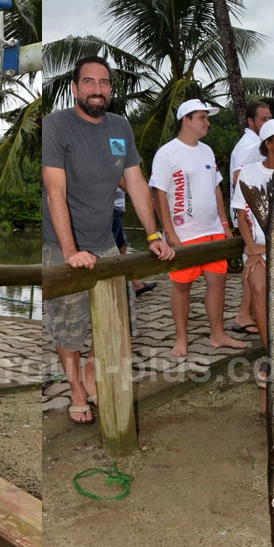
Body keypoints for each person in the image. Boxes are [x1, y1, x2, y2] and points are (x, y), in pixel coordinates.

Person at [42, 56, 175, 424]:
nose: (97, 90)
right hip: (59, 245)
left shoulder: (120, 127)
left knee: (119, 322)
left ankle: (90, 373)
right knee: (69, 329)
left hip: (105, 243)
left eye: (104, 83)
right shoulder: (56, 126)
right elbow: (56, 191)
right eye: (88, 82)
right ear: (74, 88)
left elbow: (135, 182)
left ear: (110, 90)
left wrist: (153, 235)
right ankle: (75, 389)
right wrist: (70, 251)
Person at [150, 99, 246, 357]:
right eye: (202, 117)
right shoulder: (167, 153)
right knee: (182, 286)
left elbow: (216, 188)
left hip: (212, 230)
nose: (207, 122)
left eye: (207, 117)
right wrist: (169, 232)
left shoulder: (207, 151)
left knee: (218, 282)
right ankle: (182, 339)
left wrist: (225, 224)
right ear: (186, 120)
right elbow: (158, 193)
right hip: (184, 234)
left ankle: (217, 334)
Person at [232, 116, 274, 404]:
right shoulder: (249, 172)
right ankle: (272, 355)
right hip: (257, 249)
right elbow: (241, 215)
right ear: (269, 143)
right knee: (258, 290)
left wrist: (262, 251)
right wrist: (252, 248)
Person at [227, 100, 272, 336]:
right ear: (251, 121)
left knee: (255, 263)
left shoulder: (255, 142)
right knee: (253, 261)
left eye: (268, 118)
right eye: (262, 119)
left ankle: (248, 313)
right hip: (252, 214)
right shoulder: (249, 145)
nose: (266, 122)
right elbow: (237, 178)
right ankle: (245, 314)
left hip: (258, 213)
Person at [111, 187, 152, 296]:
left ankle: (134, 283)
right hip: (112, 209)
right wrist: (139, 192)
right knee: (111, 251)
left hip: (117, 208)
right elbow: (123, 182)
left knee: (122, 247)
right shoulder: (114, 169)